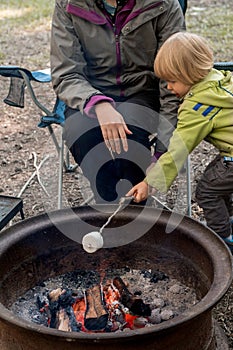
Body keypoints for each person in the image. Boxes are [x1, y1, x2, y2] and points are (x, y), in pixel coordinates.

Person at [50, 0, 185, 204]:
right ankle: (108, 207)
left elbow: (173, 78)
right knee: (80, 131)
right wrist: (99, 104)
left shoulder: (163, 4)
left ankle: (137, 208)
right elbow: (66, 74)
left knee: (131, 130)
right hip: (90, 91)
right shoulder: (69, 4)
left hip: (144, 91)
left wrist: (162, 154)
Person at [127, 32, 233, 250]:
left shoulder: (196, 106)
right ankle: (227, 222)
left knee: (206, 192)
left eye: (172, 81)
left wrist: (150, 182)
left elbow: (178, 150)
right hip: (229, 152)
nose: (167, 87)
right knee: (217, 179)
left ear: (190, 74)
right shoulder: (221, 80)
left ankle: (222, 242)